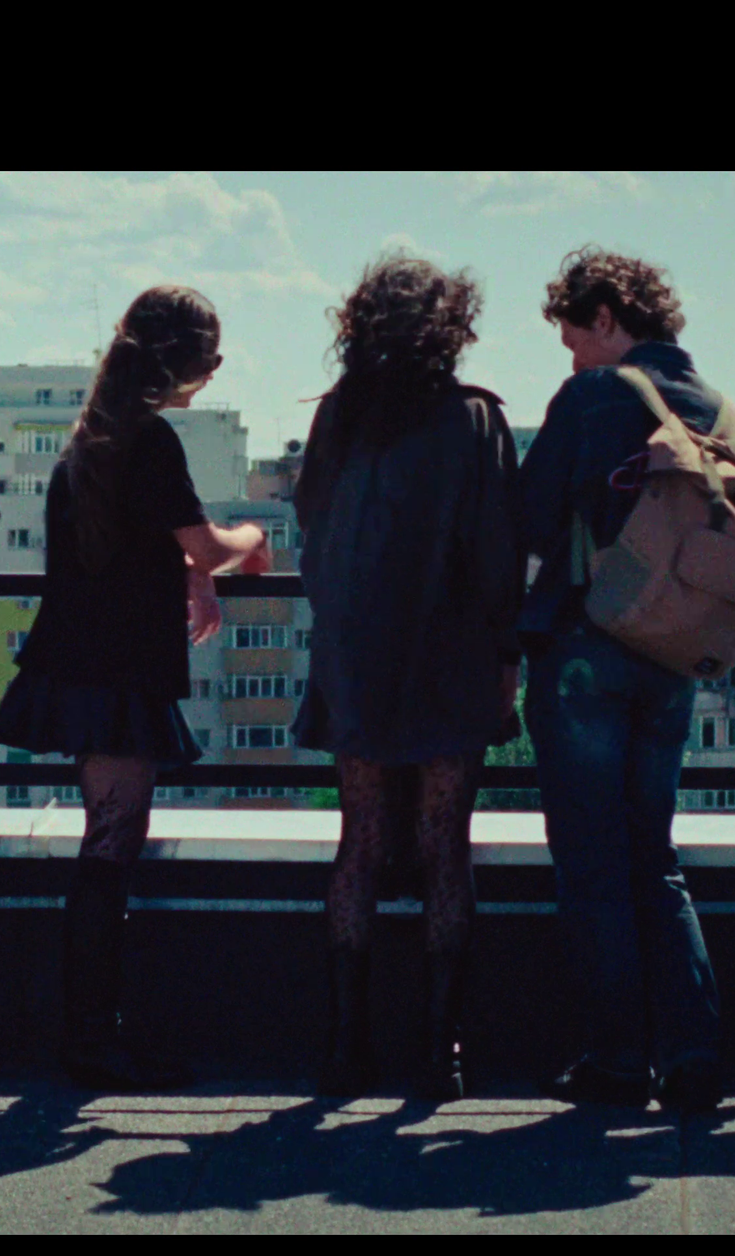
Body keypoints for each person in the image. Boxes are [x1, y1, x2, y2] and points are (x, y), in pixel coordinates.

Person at [0, 285, 266, 1091]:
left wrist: (192, 579)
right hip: (116, 670)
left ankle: (91, 1034)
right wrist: (248, 543)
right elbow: (208, 544)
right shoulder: (148, 440)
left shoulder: (94, 440)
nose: (212, 375)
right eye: (210, 360)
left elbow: (131, 548)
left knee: (105, 845)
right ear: (186, 363)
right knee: (111, 848)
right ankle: (90, 1041)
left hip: (79, 661)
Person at [293, 255, 523, 1101]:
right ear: (451, 327)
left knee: (357, 845)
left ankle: (344, 1048)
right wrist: (506, 660)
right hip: (452, 656)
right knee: (443, 847)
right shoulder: (473, 419)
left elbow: (312, 530)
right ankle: (444, 1053)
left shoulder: (338, 418)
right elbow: (500, 554)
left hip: (355, 655)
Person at [516, 246, 728, 1115]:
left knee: (592, 862)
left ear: (605, 319)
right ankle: (692, 1053)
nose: (570, 357)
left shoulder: (598, 394)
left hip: (587, 653)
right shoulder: (715, 406)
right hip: (675, 653)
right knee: (654, 855)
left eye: (573, 338)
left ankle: (613, 1059)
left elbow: (528, 516)